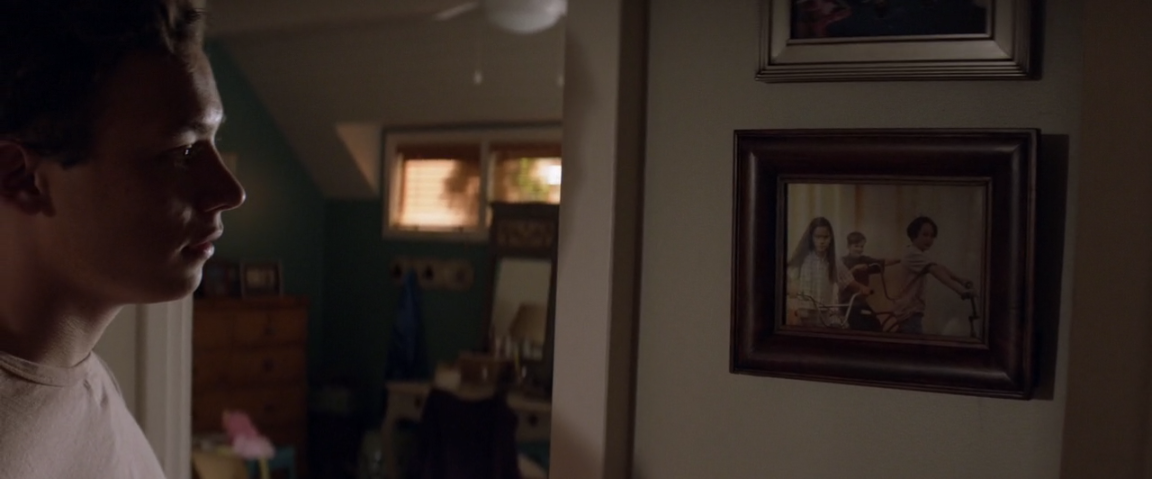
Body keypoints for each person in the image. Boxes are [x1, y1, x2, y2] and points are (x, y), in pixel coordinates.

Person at [0, 1, 245, 477]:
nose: (230, 192)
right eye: (182, 152)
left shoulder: (80, 379)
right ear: (21, 178)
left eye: (212, 141)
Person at [890, 216, 975, 334]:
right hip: (909, 312)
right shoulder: (912, 254)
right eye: (925, 235)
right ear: (913, 235)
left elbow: (939, 267)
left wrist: (960, 280)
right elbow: (936, 271)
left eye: (932, 236)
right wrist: (960, 290)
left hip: (911, 311)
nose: (929, 239)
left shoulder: (918, 254)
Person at [785, 217, 871, 328]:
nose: (822, 241)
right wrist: (792, 292)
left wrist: (862, 288)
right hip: (802, 313)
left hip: (823, 314)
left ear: (831, 238)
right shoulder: (802, 259)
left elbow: (848, 281)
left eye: (825, 237)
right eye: (817, 237)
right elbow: (788, 282)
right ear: (811, 238)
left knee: (841, 327)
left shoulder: (833, 262)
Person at [840, 231, 900, 331]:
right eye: (856, 246)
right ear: (848, 246)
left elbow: (882, 262)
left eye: (862, 246)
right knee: (858, 327)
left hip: (861, 302)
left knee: (876, 326)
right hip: (847, 303)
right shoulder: (842, 262)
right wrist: (854, 269)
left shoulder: (865, 260)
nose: (859, 249)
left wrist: (901, 260)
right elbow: (840, 280)